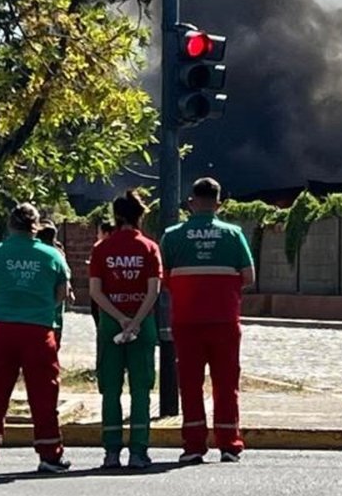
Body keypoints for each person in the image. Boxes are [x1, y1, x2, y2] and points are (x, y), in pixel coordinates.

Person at [0, 202, 72, 475]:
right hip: (38, 330)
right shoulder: (51, 256)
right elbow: (61, 293)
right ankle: (50, 454)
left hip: (2, 328)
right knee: (44, 395)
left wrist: (3, 304)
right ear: (35, 226)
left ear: (10, 224)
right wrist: (40, 306)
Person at [160, 177, 255, 464]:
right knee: (226, 383)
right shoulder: (234, 234)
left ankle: (193, 446)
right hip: (225, 320)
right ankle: (229, 444)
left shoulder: (172, 236)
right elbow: (249, 277)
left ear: (191, 202)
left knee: (189, 384)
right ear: (219, 203)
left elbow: (164, 278)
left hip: (187, 321)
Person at [88, 191, 162, 470]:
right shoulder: (149, 248)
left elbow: (96, 291)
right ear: (140, 216)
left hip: (110, 325)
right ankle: (138, 451)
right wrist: (135, 321)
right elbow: (153, 290)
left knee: (111, 390)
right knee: (141, 389)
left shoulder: (101, 248)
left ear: (116, 216)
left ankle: (111, 452)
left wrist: (119, 318)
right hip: (142, 325)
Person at [36, 220, 71, 346]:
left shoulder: (57, 252)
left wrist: (69, 289)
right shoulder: (52, 253)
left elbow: (65, 274)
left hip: (52, 299)